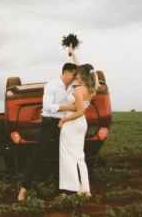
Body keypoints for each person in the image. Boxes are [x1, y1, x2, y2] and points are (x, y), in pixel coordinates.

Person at [18, 59, 78, 201]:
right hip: (49, 123)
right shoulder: (52, 85)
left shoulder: (71, 88)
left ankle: (62, 190)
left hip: (63, 125)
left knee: (62, 157)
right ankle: (23, 191)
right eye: (73, 75)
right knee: (36, 156)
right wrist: (68, 108)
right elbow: (47, 106)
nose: (75, 78)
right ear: (66, 72)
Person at [58, 48, 100, 198]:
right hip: (81, 125)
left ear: (81, 75)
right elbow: (83, 68)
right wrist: (73, 54)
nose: (75, 76)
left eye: (77, 74)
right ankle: (85, 189)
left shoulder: (78, 90)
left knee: (67, 157)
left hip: (72, 124)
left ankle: (74, 189)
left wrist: (63, 119)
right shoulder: (92, 88)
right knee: (79, 157)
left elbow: (79, 111)